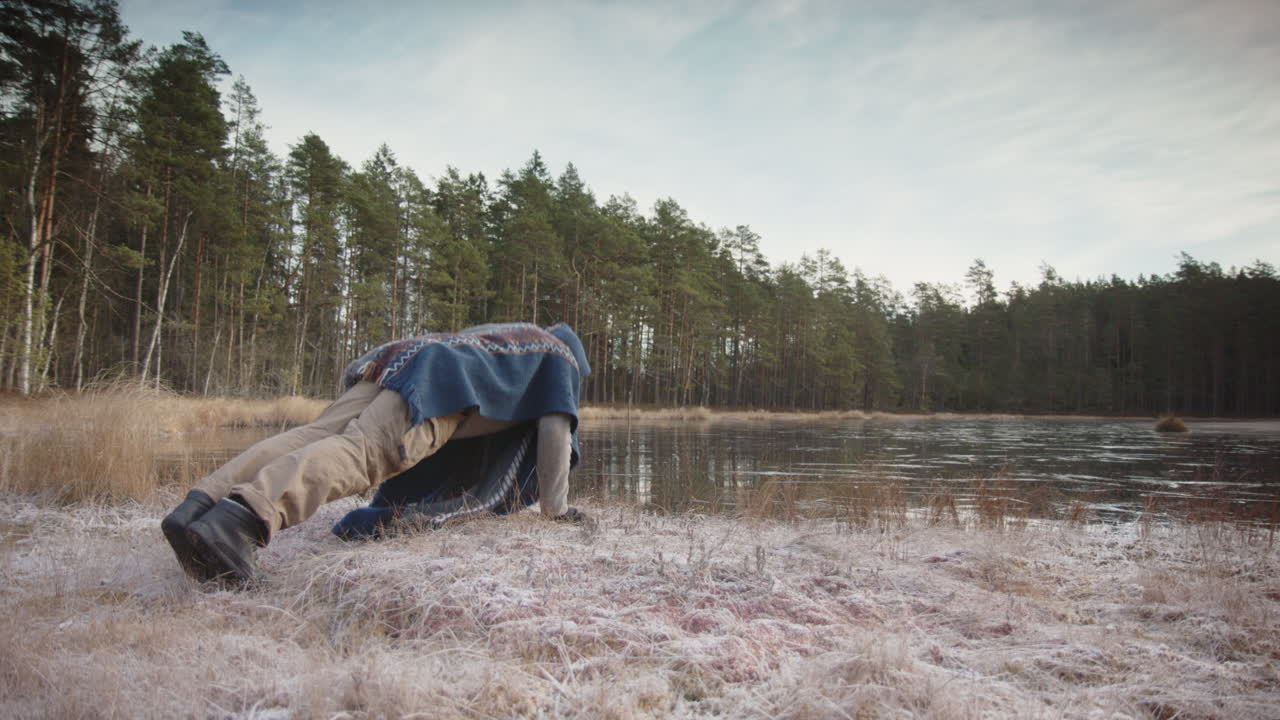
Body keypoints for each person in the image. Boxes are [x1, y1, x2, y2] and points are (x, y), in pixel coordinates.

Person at [161, 322, 590, 585]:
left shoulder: (516, 337)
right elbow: (556, 427)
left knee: (311, 434)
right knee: (365, 453)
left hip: (397, 360)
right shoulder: (560, 358)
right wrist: (555, 509)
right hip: (438, 383)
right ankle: (241, 522)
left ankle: (199, 508)